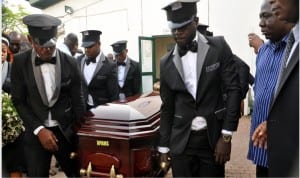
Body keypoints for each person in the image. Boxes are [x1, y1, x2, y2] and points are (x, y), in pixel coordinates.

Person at [158, 0, 241, 177]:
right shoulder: (165, 62)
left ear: (195, 21)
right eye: (173, 28)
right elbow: (167, 107)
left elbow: (233, 90)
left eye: (183, 27)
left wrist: (226, 136)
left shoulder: (219, 47)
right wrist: (163, 147)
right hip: (180, 143)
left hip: (212, 140)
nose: (177, 32)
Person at [10, 14, 85, 177]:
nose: (47, 50)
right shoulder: (19, 63)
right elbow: (18, 100)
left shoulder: (71, 62)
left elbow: (78, 101)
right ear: (30, 39)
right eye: (41, 45)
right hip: (35, 132)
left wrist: (80, 133)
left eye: (51, 45)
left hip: (66, 133)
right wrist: (39, 129)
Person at [247, 0, 294, 177]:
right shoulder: (263, 52)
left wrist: (275, 124)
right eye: (260, 17)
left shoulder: (294, 52)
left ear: (284, 15)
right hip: (261, 146)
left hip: (286, 147)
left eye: (267, 16)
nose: (261, 23)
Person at [2, 33, 26, 178]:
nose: (1, 54)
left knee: (14, 161)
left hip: (11, 124)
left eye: (3, 50)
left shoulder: (14, 68)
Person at [77, 30, 118, 110]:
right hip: (83, 108)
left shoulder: (110, 65)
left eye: (90, 46)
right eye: (85, 47)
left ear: (99, 44)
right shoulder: (79, 60)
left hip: (103, 110)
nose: (86, 50)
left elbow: (114, 94)